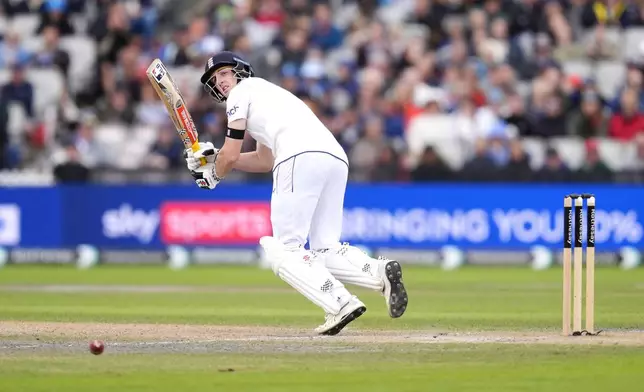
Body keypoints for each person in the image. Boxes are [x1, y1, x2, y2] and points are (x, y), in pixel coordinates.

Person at [184, 51, 408, 335]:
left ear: (240, 71)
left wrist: (212, 175)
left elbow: (231, 155)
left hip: (299, 156)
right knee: (324, 247)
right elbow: (263, 159)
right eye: (215, 80)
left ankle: (339, 303)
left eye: (225, 73)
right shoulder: (269, 95)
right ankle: (377, 273)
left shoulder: (241, 94)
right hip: (334, 157)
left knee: (284, 249)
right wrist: (216, 157)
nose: (221, 82)